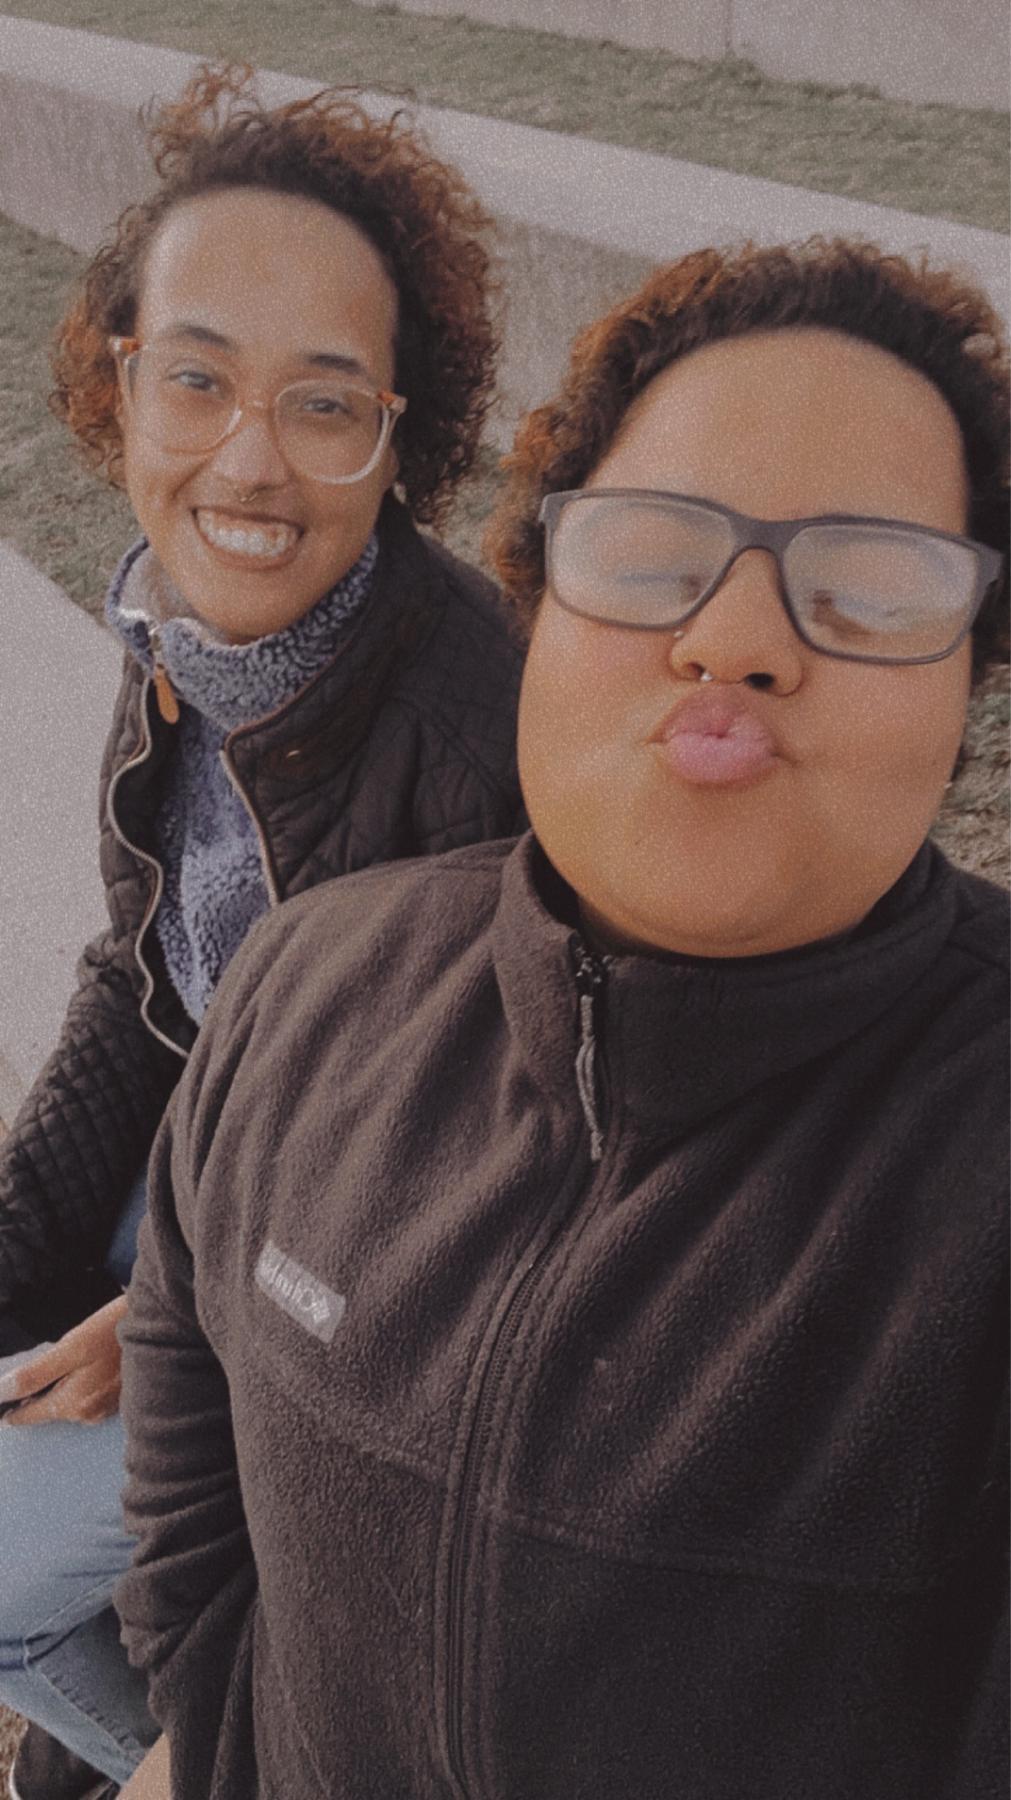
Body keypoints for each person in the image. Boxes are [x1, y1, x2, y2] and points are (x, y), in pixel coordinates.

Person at [116, 237, 1008, 1799]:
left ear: (971, 678)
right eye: (652, 552)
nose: (735, 639)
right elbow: (189, 1425)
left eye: (872, 586)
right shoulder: (311, 981)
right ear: (537, 594)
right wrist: (214, 1746)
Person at [0, 63, 525, 1799]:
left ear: (398, 428)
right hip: (199, 1177)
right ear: (119, 382)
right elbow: (147, 974)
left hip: (331, 1293)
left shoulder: (481, 738)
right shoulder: (179, 632)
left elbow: (457, 1190)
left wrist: (167, 1307)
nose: (248, 457)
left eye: (322, 403)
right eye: (198, 377)